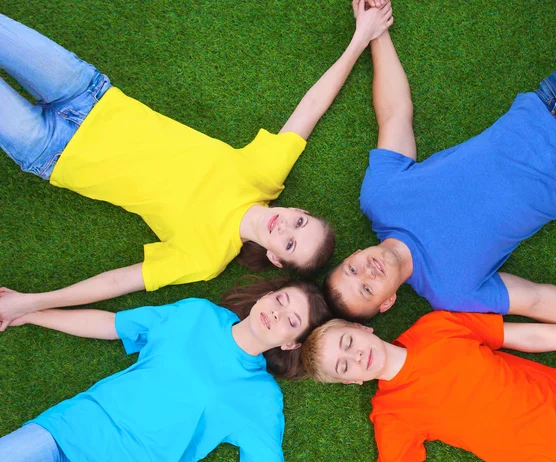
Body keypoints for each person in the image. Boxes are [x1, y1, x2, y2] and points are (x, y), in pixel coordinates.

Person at [0, 3, 394, 329]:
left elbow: (120, 281)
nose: (286, 228)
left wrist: (31, 303)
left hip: (50, 150)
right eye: (300, 223)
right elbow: (311, 108)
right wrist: (361, 36)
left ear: (275, 257)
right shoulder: (264, 175)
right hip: (90, 93)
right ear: (297, 211)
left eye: (289, 244)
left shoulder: (206, 258)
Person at [323, 11, 556, 325]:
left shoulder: (380, 198)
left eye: (352, 269)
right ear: (387, 302)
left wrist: (377, 32)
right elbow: (537, 299)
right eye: (367, 289)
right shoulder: (451, 292)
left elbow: (395, 113)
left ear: (355, 252)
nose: (367, 272)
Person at [0, 276, 330, 462]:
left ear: (291, 343)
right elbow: (113, 325)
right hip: (71, 427)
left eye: (291, 321)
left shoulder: (261, 397)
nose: (276, 314)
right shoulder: (197, 314)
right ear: (267, 295)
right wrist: (30, 314)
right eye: (280, 301)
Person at [301, 312, 556, 462]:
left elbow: (529, 336)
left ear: (361, 327)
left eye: (347, 342)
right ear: (352, 381)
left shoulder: (436, 327)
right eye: (344, 366)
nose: (355, 356)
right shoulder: (390, 416)